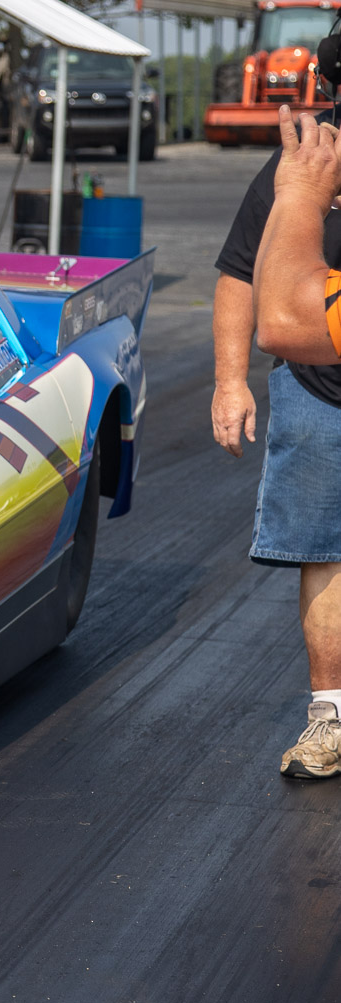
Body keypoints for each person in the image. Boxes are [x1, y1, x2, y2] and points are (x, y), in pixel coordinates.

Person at [237, 104, 341, 778]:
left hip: (314, 357)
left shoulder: (305, 167)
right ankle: (331, 714)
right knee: (325, 552)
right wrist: (228, 381)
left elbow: (279, 319)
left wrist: (302, 195)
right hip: (319, 392)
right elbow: (236, 270)